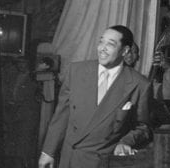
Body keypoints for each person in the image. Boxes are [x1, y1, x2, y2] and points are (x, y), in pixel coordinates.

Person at [39, 26, 152, 168]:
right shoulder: (76, 71)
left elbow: (143, 128)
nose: (102, 48)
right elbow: (61, 116)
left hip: (103, 162)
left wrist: (125, 142)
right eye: (101, 42)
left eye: (110, 44)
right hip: (70, 160)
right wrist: (48, 152)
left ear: (125, 51)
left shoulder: (139, 84)